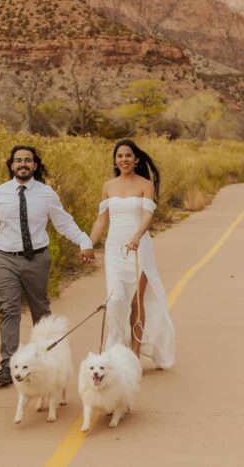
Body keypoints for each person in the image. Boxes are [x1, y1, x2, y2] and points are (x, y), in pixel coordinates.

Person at [0, 145, 95, 386]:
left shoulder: (46, 194)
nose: (22, 164)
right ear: (11, 165)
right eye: (18, 160)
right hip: (5, 258)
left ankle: (47, 360)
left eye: (27, 160)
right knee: (8, 310)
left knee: (40, 311)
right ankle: (9, 365)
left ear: (35, 165)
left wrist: (84, 241)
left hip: (37, 259)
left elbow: (63, 223)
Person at [88, 139, 175, 368]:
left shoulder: (146, 184)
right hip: (114, 249)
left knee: (136, 302)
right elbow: (101, 220)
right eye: (119, 156)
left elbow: (147, 216)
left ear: (136, 160)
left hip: (139, 247)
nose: (124, 160)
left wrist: (136, 236)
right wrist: (88, 244)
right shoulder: (108, 185)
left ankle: (134, 354)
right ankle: (116, 350)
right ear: (115, 161)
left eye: (128, 155)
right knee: (116, 300)